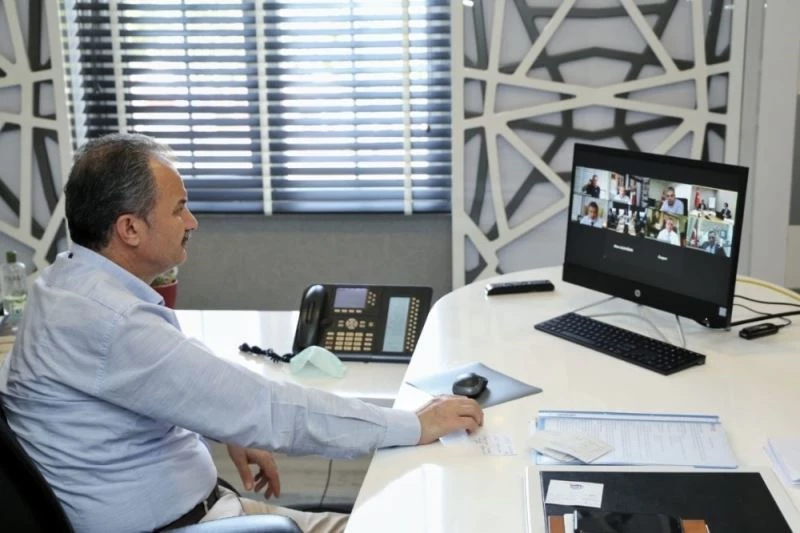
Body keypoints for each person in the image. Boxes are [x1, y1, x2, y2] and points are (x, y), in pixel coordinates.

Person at [0, 134, 484, 533]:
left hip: (203, 511)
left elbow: (169, 379)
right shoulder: (113, 320)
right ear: (129, 228)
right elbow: (269, 409)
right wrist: (415, 424)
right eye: (178, 209)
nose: (192, 222)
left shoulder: (61, 283)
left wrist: (221, 421)